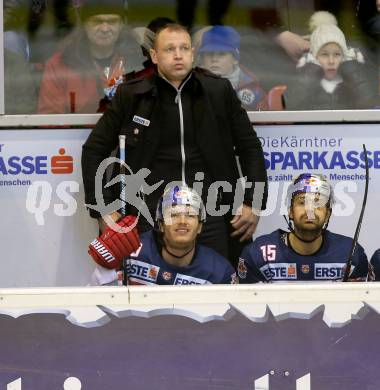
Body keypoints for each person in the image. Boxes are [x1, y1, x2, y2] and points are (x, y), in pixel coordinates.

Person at [81, 23, 268, 266]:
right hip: (147, 213)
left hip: (212, 210)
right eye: (169, 49)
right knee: (144, 288)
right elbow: (93, 151)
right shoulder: (132, 95)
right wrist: (104, 209)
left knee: (220, 285)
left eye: (184, 48)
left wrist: (253, 202)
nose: (178, 55)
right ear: (155, 56)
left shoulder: (218, 91)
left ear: (192, 54)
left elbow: (250, 148)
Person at [91, 185, 237, 286]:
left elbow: (233, 324)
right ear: (160, 224)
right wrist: (108, 266)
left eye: (190, 215)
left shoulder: (220, 271)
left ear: (200, 226)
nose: (182, 221)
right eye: (173, 215)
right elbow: (96, 300)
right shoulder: (130, 252)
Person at [238, 173, 369, 283]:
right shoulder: (258, 254)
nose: (310, 210)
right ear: (290, 211)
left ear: (328, 213)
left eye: (318, 203)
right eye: (302, 202)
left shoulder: (351, 253)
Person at [37, 0, 143, 114]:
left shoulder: (137, 62)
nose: (105, 29)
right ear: (84, 24)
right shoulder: (60, 63)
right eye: (97, 21)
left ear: (121, 24)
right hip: (76, 132)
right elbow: (50, 120)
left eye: (112, 21)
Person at [285, 11, 377, 110]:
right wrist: (310, 74)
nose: (331, 61)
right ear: (314, 58)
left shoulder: (350, 80)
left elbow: (368, 104)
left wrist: (352, 71)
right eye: (324, 55)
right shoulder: (307, 81)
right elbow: (293, 106)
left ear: (344, 57)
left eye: (337, 54)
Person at [197, 25, 268, 111]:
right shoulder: (192, 86)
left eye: (221, 54)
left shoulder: (254, 90)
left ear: (235, 59)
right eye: (209, 53)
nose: (214, 59)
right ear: (202, 58)